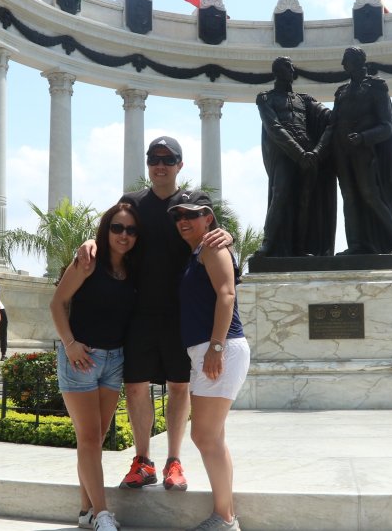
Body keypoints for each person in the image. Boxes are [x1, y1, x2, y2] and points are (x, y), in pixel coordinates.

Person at [75, 136, 231, 494]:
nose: (160, 165)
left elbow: (216, 233)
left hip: (182, 315)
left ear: (180, 164)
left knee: (180, 386)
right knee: (135, 387)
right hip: (139, 312)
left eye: (168, 159)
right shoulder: (132, 202)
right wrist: (91, 243)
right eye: (153, 159)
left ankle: (173, 460)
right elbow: (113, 231)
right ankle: (142, 460)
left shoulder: (191, 203)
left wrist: (229, 237)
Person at [50, 203, 141, 531]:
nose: (124, 235)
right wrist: (69, 343)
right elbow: (57, 303)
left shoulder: (133, 268)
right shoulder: (88, 262)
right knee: (89, 438)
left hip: (114, 360)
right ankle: (102, 514)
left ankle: (85, 511)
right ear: (106, 230)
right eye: (117, 228)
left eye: (131, 230)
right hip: (81, 357)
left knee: (95, 439)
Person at [169, 195, 249, 531]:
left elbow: (227, 294)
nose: (184, 220)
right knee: (212, 437)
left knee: (204, 437)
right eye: (178, 216)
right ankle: (226, 514)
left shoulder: (212, 248)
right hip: (210, 349)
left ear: (208, 218)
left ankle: (224, 518)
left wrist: (216, 346)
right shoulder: (198, 252)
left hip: (220, 348)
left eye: (192, 214)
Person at [320, 46, 392, 255]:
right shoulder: (341, 91)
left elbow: (387, 126)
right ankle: (357, 244)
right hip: (342, 152)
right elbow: (332, 124)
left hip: (365, 151)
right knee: (349, 197)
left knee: (370, 195)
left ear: (358, 62)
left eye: (346, 61)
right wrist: (319, 150)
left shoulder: (376, 88)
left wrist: (364, 137)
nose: (342, 65)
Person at [254, 56, 336, 257]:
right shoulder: (266, 98)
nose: (292, 72)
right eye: (288, 68)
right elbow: (274, 128)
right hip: (285, 153)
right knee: (279, 194)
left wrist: (344, 109)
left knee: (305, 200)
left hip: (308, 152)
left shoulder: (304, 99)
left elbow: (327, 116)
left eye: (291, 68)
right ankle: (268, 244)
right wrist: (298, 154)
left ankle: (300, 247)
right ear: (277, 72)